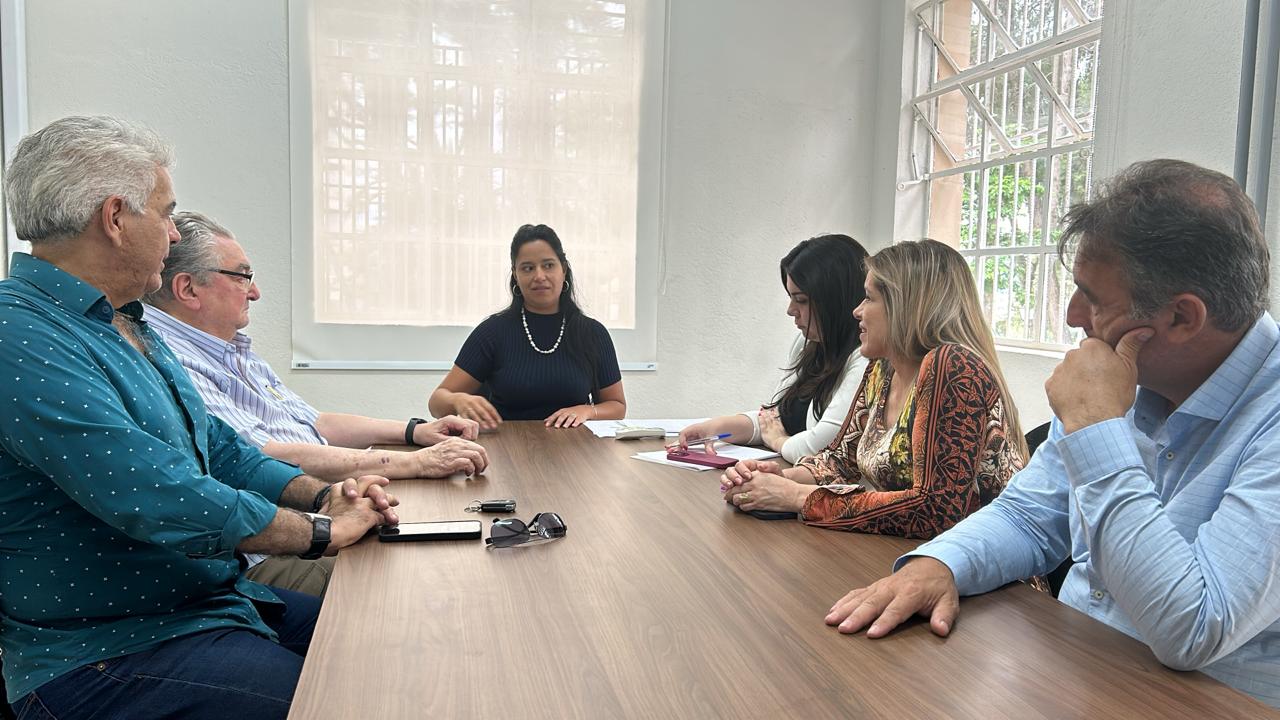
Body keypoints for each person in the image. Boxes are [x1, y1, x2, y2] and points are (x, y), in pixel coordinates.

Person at [825, 160, 1280, 708]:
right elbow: (1028, 515)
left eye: (1092, 297)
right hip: (1080, 672)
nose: (1071, 315)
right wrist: (941, 563)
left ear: (1183, 318)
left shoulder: (1247, 412)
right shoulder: (1133, 375)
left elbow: (1194, 626)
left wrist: (1098, 427)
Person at [0, 116, 397, 720]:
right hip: (107, 653)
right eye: (166, 214)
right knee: (355, 702)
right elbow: (154, 491)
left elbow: (220, 447)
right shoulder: (19, 334)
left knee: (397, 650)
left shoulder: (124, 319)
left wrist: (327, 495)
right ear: (114, 218)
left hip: (209, 607)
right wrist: (321, 532)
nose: (171, 232)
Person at [140, 210, 488, 595]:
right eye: (242, 277)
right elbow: (266, 457)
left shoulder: (228, 348)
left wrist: (415, 432)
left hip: (321, 512)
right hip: (278, 550)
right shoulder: (170, 356)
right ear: (188, 289)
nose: (254, 292)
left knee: (444, 551)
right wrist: (416, 462)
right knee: (418, 584)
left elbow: (314, 422)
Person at [721, 239, 1026, 539]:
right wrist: (772, 480)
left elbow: (935, 509)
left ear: (905, 305)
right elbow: (841, 461)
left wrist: (798, 497)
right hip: (912, 556)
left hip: (987, 578)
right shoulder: (882, 367)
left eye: (868, 298)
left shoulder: (954, 367)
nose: (856, 311)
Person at [676, 234, 870, 463]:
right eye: (791, 297)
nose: (791, 310)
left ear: (835, 300)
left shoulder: (863, 361)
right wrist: (715, 427)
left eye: (802, 300)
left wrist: (779, 442)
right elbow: (774, 419)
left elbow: (821, 447)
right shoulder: (807, 344)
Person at [428, 224, 626, 429]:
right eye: (528, 268)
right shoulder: (492, 332)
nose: (539, 276)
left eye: (548, 265)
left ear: (564, 269)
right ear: (515, 274)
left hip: (577, 450)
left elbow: (617, 406)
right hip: (507, 451)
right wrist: (458, 400)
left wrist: (587, 411)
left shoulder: (593, 333)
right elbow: (436, 403)